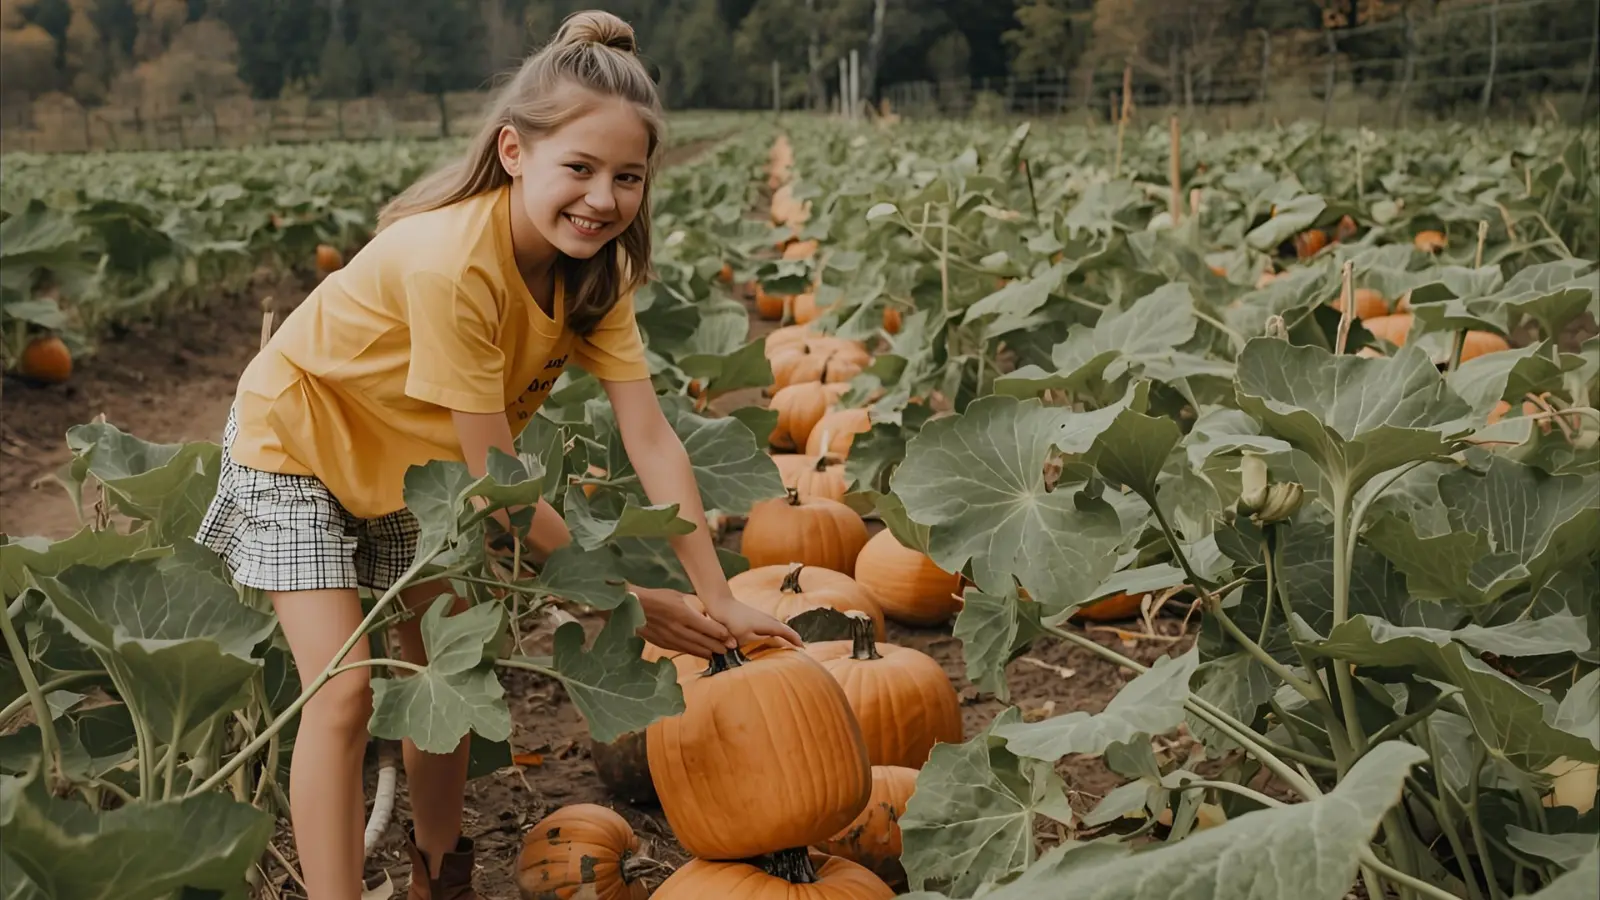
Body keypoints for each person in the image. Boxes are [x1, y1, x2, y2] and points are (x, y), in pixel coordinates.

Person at [194, 11, 803, 899]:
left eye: (627, 177)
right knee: (346, 693)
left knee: (441, 671)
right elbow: (496, 486)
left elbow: (650, 436)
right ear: (515, 153)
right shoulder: (456, 267)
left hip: (415, 468)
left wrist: (716, 595)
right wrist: (629, 600)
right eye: (580, 169)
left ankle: (441, 876)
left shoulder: (598, 274)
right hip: (298, 448)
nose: (603, 198)